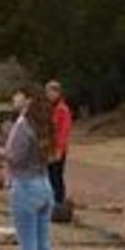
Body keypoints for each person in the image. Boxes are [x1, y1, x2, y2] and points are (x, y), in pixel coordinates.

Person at [3, 85, 57, 250]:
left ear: (27, 100)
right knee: (43, 242)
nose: (14, 98)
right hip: (44, 184)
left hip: (26, 186)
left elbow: (14, 158)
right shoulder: (43, 125)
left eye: (18, 94)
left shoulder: (23, 125)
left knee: (28, 244)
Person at [46, 79, 74, 212]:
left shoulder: (63, 110)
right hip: (48, 147)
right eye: (48, 92)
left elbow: (64, 131)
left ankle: (58, 202)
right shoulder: (49, 108)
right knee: (49, 174)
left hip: (58, 148)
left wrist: (60, 149)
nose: (50, 95)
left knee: (56, 175)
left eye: (52, 92)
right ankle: (50, 201)